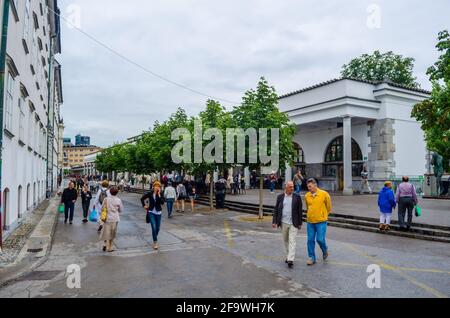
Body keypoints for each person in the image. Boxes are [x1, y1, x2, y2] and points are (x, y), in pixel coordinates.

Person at [272, 181, 303, 268]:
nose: (292, 188)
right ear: (285, 187)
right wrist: (274, 221)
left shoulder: (297, 197)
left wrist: (300, 222)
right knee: (286, 240)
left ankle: (290, 259)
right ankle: (289, 255)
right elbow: (276, 210)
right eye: (290, 187)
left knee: (292, 240)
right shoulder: (280, 197)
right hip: (283, 222)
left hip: (294, 222)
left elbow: (299, 211)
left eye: (293, 187)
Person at [305, 178, 332, 266]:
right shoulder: (307, 196)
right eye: (308, 186)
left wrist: (323, 215)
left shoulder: (324, 194)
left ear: (315, 185)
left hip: (321, 221)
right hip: (310, 222)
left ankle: (325, 250)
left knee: (320, 239)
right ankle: (312, 257)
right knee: (310, 240)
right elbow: (307, 207)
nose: (309, 188)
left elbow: (329, 207)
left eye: (310, 186)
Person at [141, 181, 165, 250]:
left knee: (158, 228)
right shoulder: (150, 193)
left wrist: (159, 195)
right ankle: (155, 242)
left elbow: (162, 202)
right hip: (151, 212)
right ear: (153, 186)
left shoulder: (160, 193)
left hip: (158, 213)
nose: (157, 187)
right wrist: (144, 205)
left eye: (158, 186)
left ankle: (154, 237)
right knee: (154, 227)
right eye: (156, 186)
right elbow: (142, 198)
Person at [100, 186, 123, 253]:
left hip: (107, 218)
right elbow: (121, 210)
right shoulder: (118, 200)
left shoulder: (106, 199)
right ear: (117, 193)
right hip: (115, 218)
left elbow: (102, 208)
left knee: (106, 232)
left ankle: (104, 244)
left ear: (110, 192)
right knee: (112, 233)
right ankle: (109, 247)